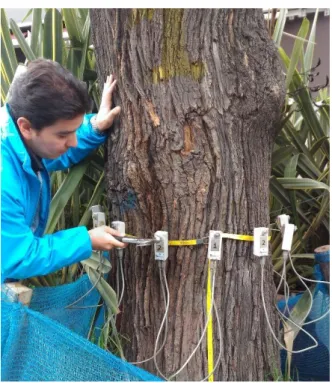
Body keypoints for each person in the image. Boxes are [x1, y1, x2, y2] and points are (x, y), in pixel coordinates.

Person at [1, 58, 126, 283]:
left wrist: (96, 125)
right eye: (63, 135)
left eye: (75, 130)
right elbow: (16, 259)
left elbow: (52, 154)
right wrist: (85, 241)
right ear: (26, 127)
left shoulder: (16, 140)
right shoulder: (4, 180)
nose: (74, 142)